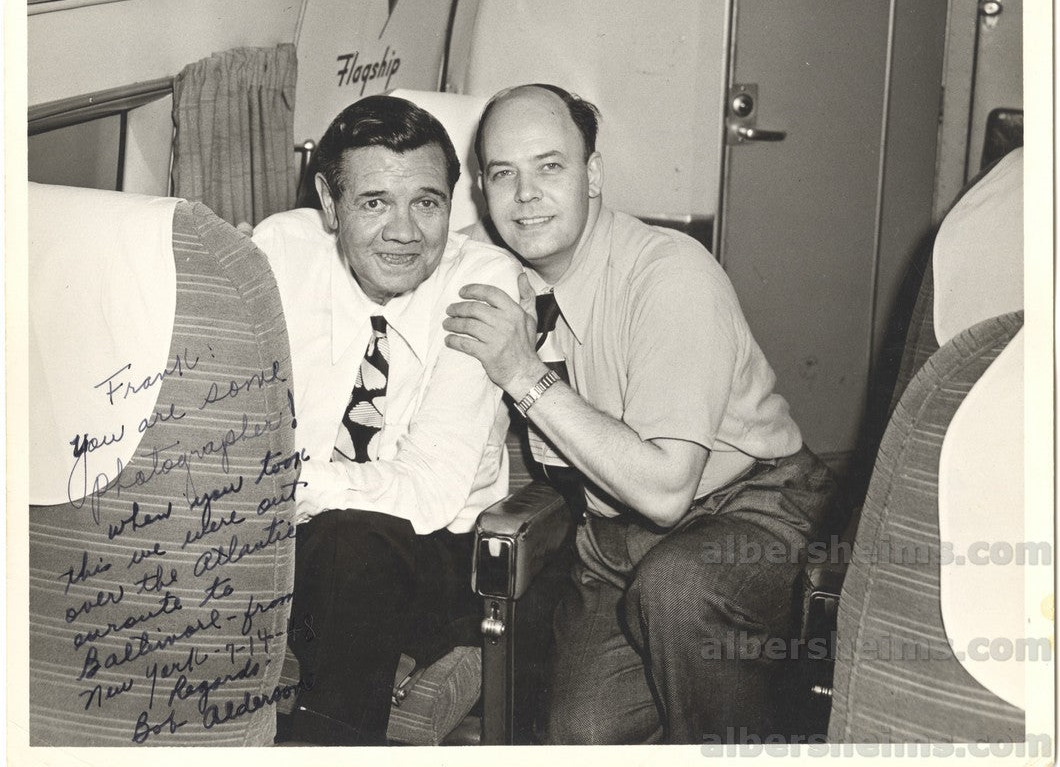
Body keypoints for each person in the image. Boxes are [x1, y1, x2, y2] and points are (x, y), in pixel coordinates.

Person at [444, 84, 836, 744]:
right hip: (614, 542)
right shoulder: (501, 276)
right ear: (481, 191)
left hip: (749, 511)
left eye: (550, 166)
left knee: (679, 591)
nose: (527, 193)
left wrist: (523, 373)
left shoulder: (668, 274)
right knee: (581, 738)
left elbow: (663, 490)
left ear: (592, 175)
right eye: (503, 174)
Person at [253, 95, 521, 745]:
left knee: (354, 546)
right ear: (328, 199)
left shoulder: (482, 281)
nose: (404, 232)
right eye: (374, 202)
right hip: (289, 542)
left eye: (427, 203)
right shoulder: (281, 251)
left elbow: (429, 490)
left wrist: (290, 489)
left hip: (433, 557)